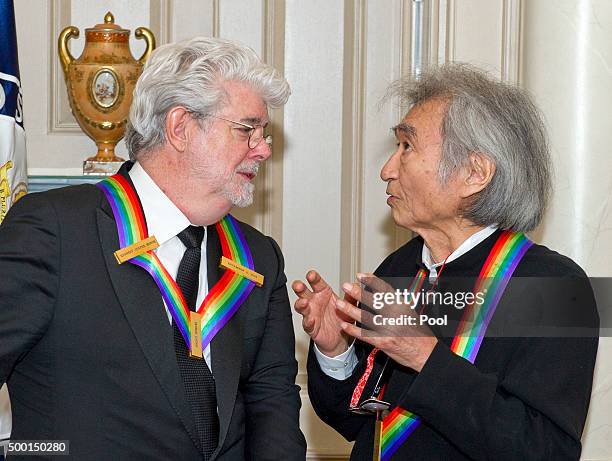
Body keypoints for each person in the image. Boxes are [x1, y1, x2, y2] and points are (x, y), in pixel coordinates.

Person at [0, 36, 306, 460]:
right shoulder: (54, 230)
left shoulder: (258, 257)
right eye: (246, 129)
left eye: (264, 132)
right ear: (180, 127)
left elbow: (272, 401)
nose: (264, 148)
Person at [293, 64, 599, 460]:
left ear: (475, 173)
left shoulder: (555, 286)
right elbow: (356, 423)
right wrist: (336, 352)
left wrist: (422, 354)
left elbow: (545, 451)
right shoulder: (399, 267)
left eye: (407, 147)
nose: (387, 170)